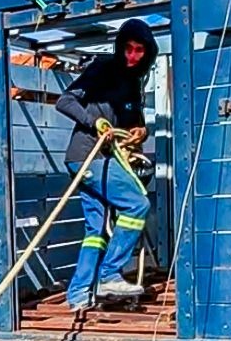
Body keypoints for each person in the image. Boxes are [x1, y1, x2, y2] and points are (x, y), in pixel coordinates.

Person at [55, 18, 158, 311]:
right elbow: (64, 102)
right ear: (120, 46)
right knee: (137, 204)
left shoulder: (134, 82)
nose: (133, 56)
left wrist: (141, 132)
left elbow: (134, 122)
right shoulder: (103, 67)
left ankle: (78, 295)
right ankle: (110, 274)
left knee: (96, 230)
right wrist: (95, 121)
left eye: (139, 51)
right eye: (129, 48)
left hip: (102, 158)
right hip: (88, 155)